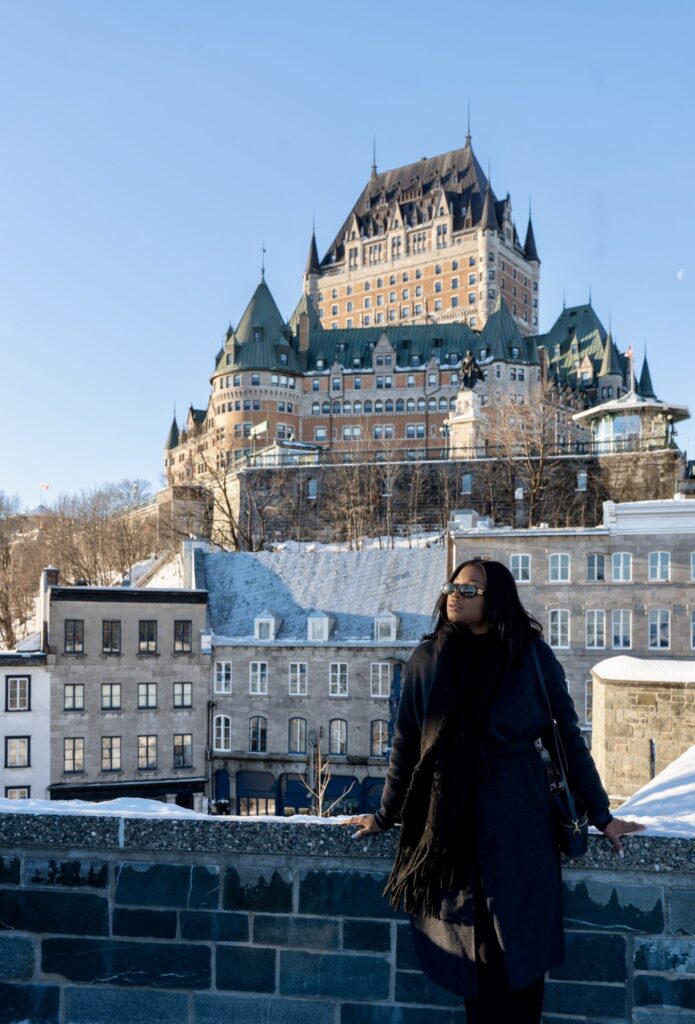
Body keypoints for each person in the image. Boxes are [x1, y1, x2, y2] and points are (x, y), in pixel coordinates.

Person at [343, 557, 644, 1024]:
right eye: (451, 587)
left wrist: (602, 816)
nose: (454, 596)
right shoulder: (429, 659)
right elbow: (406, 744)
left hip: (519, 814)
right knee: (472, 949)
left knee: (519, 948)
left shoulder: (531, 657)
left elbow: (565, 737)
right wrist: (384, 815)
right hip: (451, 820)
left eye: (468, 590)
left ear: (495, 598)